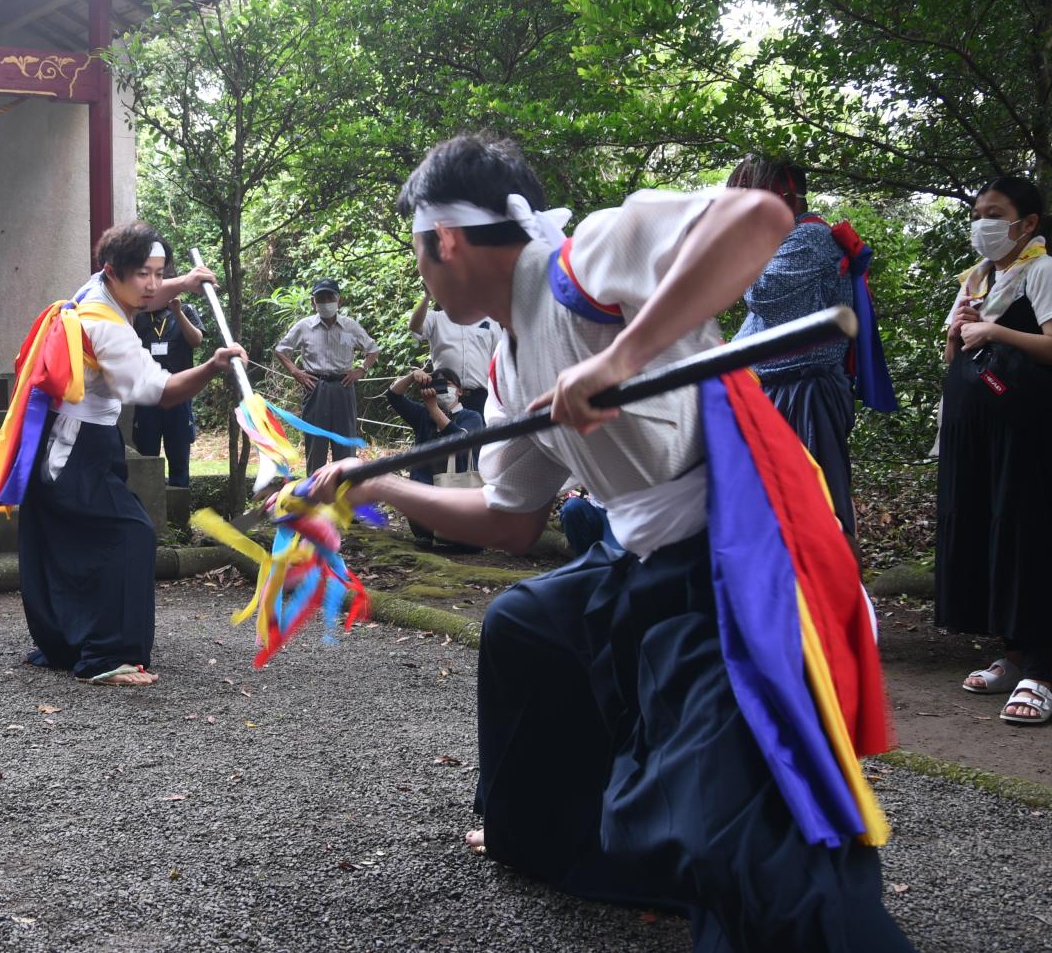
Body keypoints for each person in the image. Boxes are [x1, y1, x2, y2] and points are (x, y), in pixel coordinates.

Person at [303, 133, 909, 951]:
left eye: (416, 251)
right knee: (524, 625)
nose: (419, 271)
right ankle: (551, 839)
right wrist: (369, 482)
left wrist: (624, 355)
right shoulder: (509, 362)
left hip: (730, 560)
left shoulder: (586, 259)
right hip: (637, 555)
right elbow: (510, 519)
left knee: (739, 836)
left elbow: (758, 217)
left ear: (444, 238)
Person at [8, 223, 242, 686]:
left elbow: (147, 296)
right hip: (74, 449)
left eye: (159, 273)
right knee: (130, 535)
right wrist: (213, 366)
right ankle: (105, 657)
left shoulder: (97, 290)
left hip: (76, 441)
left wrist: (186, 282)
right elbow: (163, 391)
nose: (153, 285)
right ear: (112, 272)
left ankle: (66, 643)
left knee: (72, 540)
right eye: (143, 274)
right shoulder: (106, 327)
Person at [936, 175, 1052, 725]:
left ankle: (1040, 669)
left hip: (1031, 432)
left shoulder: (1045, 272)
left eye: (995, 212)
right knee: (991, 531)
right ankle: (1010, 655)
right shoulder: (976, 279)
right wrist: (963, 327)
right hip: (979, 432)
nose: (983, 222)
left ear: (1027, 223)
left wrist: (997, 333)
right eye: (978, 212)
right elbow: (952, 353)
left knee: (1030, 533)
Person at [730, 157, 857, 534]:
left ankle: (839, 589)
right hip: (774, 387)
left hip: (805, 392)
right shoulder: (784, 240)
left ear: (784, 196)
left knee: (817, 511)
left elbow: (763, 294)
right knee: (773, 513)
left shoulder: (808, 237)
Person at [273, 278, 378, 472]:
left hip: (343, 387)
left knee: (346, 444)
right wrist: (296, 372)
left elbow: (372, 350)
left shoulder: (350, 326)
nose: (325, 302)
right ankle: (314, 494)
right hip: (315, 387)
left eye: (329, 297)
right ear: (313, 302)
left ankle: (345, 494)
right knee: (315, 443)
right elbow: (281, 350)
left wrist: (361, 370)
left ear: (340, 301)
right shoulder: (304, 326)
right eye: (320, 298)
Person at [383, 366, 483, 548]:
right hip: (424, 493)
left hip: (457, 496)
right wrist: (412, 376)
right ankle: (425, 533)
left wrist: (433, 408)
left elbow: (461, 440)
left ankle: (453, 537)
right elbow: (393, 396)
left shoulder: (471, 416)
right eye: (436, 384)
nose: (442, 389)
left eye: (447, 384)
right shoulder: (423, 415)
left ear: (459, 391)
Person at [131, 283, 205, 487]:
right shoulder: (140, 317)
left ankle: (178, 510)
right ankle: (148, 504)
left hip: (179, 393)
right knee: (146, 453)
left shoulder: (186, 311)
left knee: (179, 453)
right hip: (147, 395)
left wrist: (178, 312)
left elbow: (196, 341)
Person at [409, 293, 497, 416]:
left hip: (481, 395)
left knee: (484, 434)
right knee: (448, 433)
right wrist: (427, 296)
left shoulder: (489, 321)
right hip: (445, 394)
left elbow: (498, 359)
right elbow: (414, 326)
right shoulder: (436, 318)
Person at [557, 489, 618, 560]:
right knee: (572, 507)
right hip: (595, 511)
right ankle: (583, 559)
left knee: (617, 557)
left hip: (621, 514)